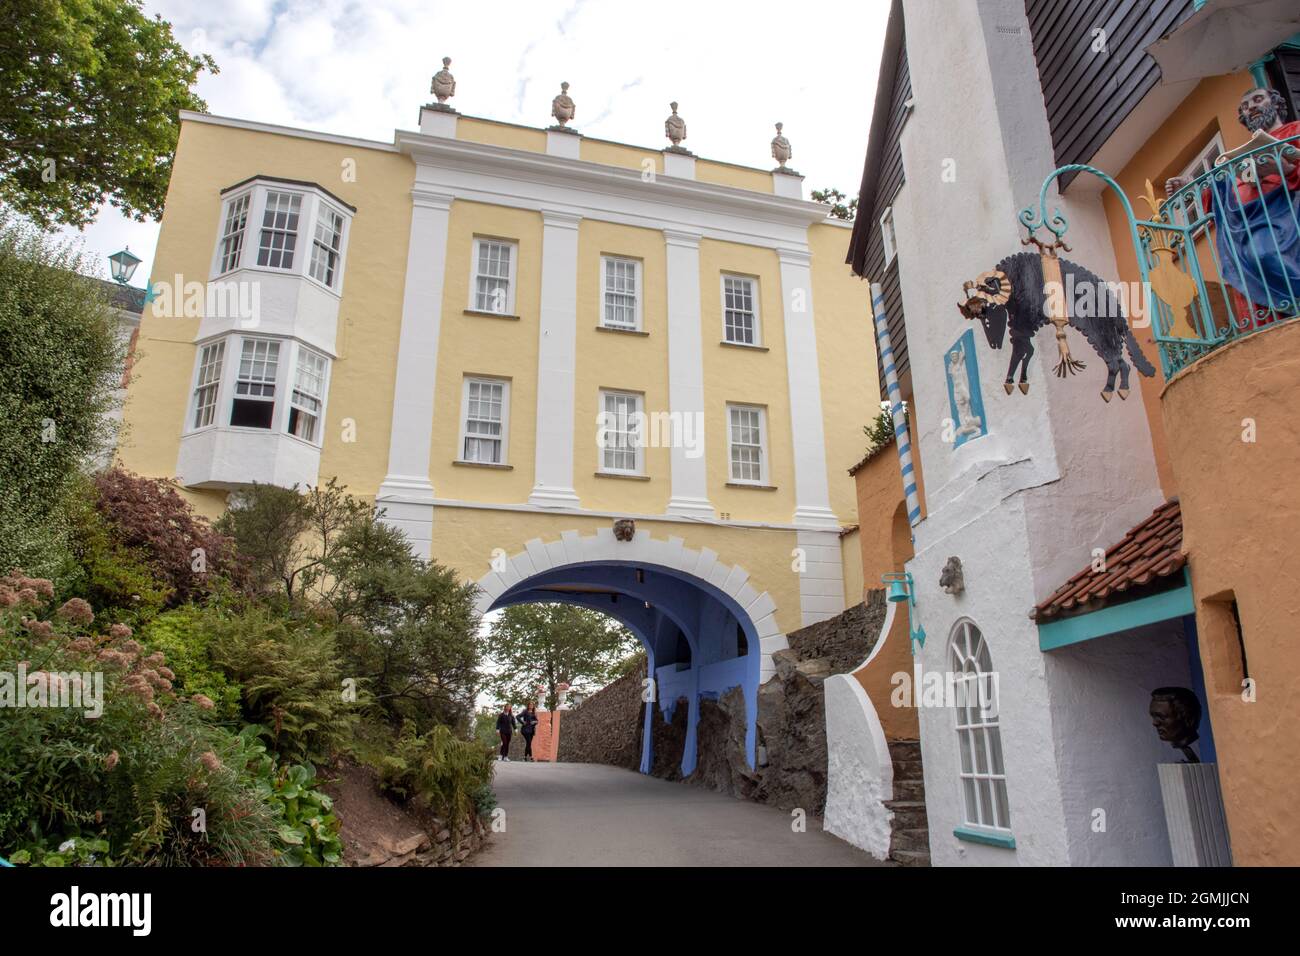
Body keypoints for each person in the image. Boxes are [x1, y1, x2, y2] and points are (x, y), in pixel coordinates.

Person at [1164, 87, 1300, 331]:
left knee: (1265, 254)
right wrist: (1193, 187)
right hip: (1246, 225)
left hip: (1286, 216)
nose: (1252, 107)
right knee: (1248, 266)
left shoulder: (1295, 131)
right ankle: (1268, 323)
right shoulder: (1243, 153)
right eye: (1246, 106)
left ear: (1276, 104)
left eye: (1258, 100)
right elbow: (1226, 189)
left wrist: (1287, 170)